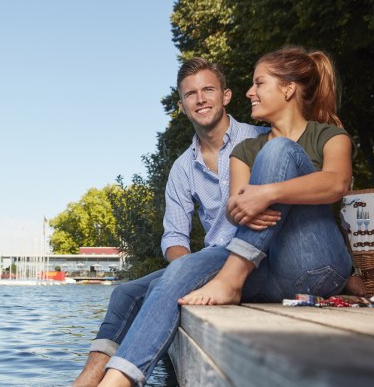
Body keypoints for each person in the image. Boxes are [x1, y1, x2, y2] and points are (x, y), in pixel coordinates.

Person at [97, 47, 353, 387]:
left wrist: (267, 193)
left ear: (288, 89)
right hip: (262, 268)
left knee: (278, 151)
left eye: (258, 83)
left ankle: (230, 280)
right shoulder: (241, 153)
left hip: (312, 263)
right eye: (191, 94)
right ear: (182, 104)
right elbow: (237, 209)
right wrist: (246, 204)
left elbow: (336, 183)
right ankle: (116, 381)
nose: (251, 92)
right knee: (179, 268)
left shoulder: (326, 135)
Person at [72, 57, 269, 387]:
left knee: (175, 276)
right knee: (124, 294)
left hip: (255, 258)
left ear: (226, 95)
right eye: (191, 94)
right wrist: (185, 269)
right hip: (209, 260)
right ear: (182, 106)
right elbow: (175, 236)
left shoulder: (260, 139)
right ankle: (85, 380)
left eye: (208, 89)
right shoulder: (182, 168)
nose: (200, 99)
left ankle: (121, 381)